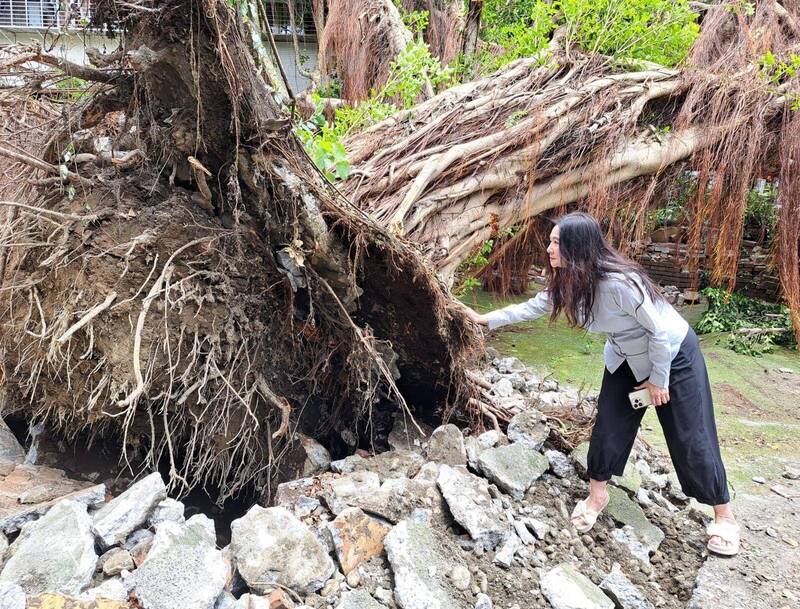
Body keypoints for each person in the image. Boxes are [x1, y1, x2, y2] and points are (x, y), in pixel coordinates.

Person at [459, 212, 739, 556]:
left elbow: (661, 333)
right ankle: (597, 495)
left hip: (673, 356)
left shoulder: (621, 283)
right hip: (625, 356)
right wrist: (484, 320)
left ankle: (723, 516)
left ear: (578, 248)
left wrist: (658, 381)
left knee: (690, 435)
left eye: (557, 243)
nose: (548, 248)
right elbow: (532, 307)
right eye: (551, 241)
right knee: (609, 424)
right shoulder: (568, 281)